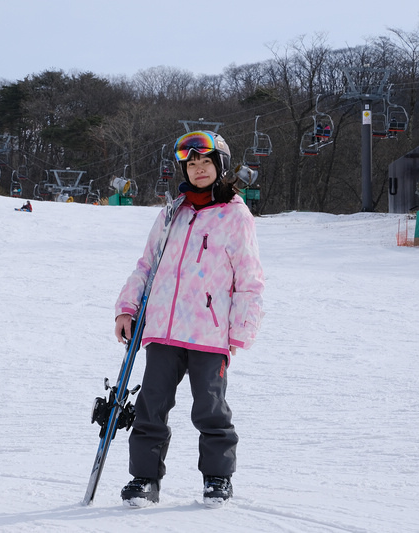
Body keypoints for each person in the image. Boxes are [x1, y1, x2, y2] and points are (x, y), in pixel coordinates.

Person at [113, 130, 264, 508]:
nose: (198, 169)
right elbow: (146, 264)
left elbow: (249, 277)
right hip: (162, 328)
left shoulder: (236, 215)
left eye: (206, 162)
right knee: (151, 407)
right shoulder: (171, 213)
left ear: (220, 166)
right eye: (192, 163)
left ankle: (217, 478)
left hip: (208, 332)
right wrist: (126, 308)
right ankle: (143, 480)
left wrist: (240, 331)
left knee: (211, 410)